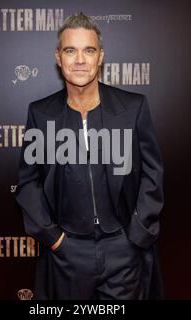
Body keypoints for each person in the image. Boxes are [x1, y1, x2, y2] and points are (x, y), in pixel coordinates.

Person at [15, 12, 164, 300]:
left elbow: (152, 173)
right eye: (71, 50)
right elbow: (28, 182)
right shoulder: (40, 113)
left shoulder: (133, 107)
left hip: (122, 249)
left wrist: (136, 234)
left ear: (101, 57)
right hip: (68, 252)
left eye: (89, 50)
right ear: (58, 57)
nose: (80, 60)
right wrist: (54, 238)